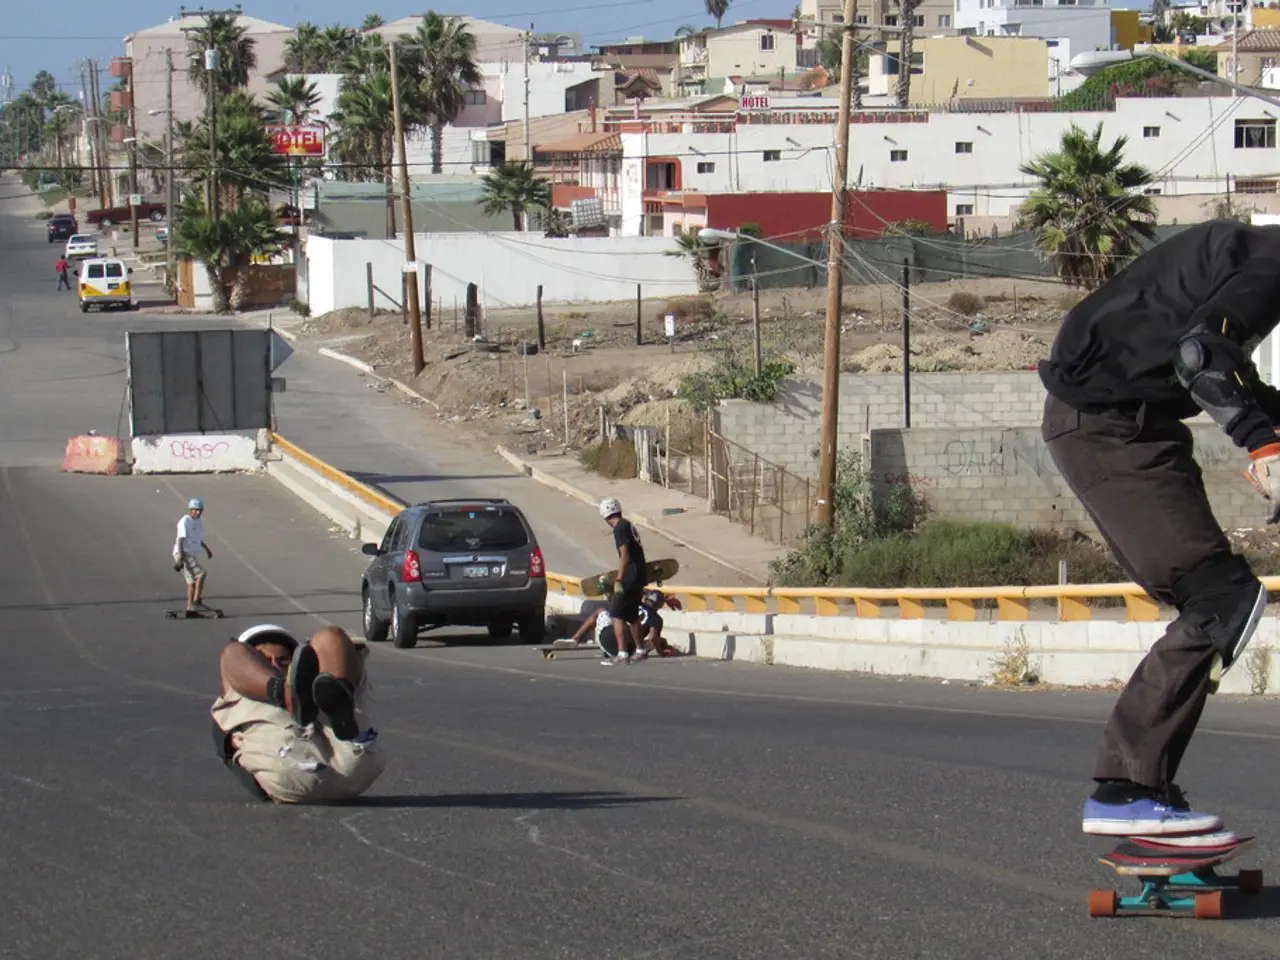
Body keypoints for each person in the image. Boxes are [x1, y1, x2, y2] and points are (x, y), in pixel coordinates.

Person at [1038, 218, 1280, 839]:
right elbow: (1204, 357)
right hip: (1109, 428)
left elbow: (1221, 368)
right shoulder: (1271, 262)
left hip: (1129, 423)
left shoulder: (1244, 252)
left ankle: (1150, 791)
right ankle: (1125, 790)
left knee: (1218, 597)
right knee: (1220, 598)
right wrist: (1262, 446)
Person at [211, 624, 384, 804]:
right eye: (263, 660)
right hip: (291, 765)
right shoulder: (238, 688)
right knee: (233, 651)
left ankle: (336, 686)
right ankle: (284, 692)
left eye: (283, 662)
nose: (275, 666)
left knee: (331, 636)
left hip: (352, 762)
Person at [599, 498, 647, 664]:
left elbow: (624, 554)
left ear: (605, 516)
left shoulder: (619, 528)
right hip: (639, 576)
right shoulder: (628, 524)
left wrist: (619, 579)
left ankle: (622, 654)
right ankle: (640, 650)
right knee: (632, 615)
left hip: (629, 577)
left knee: (615, 613)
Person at [173, 498, 213, 614]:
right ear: (190, 510)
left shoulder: (199, 521)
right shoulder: (184, 521)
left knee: (191, 583)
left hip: (190, 554)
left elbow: (197, 539)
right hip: (183, 552)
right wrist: (180, 558)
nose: (198, 513)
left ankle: (190, 609)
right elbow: (180, 539)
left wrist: (207, 549)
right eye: (195, 510)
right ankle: (196, 602)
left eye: (200, 510)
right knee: (201, 574)